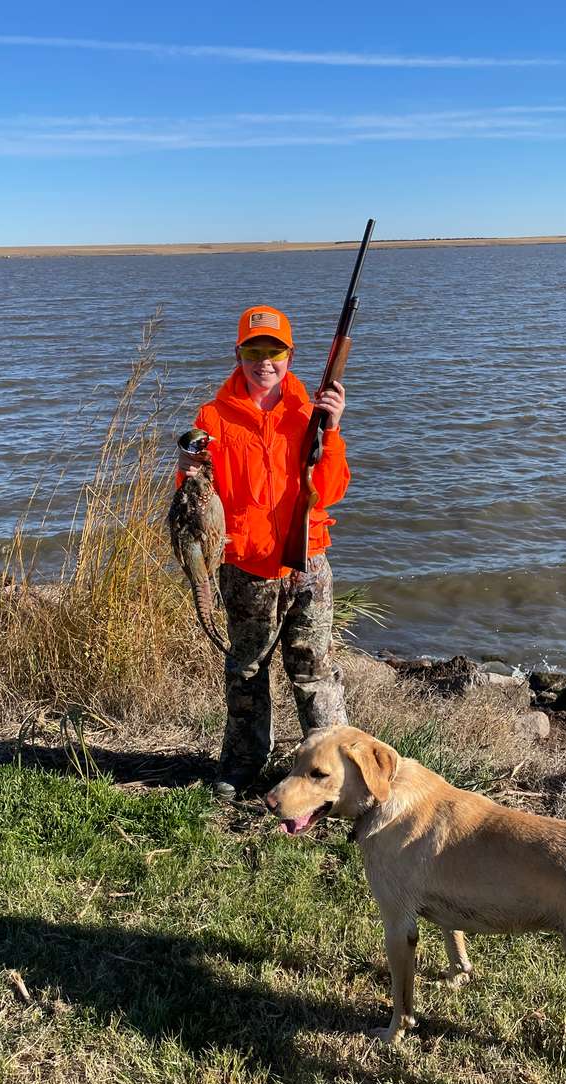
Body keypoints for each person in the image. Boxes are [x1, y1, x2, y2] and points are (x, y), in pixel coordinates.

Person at [177, 305, 351, 799]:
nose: (264, 361)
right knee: (247, 671)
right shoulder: (213, 417)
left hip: (307, 562)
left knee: (314, 672)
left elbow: (333, 489)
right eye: (254, 351)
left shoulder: (310, 413)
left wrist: (332, 430)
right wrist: (191, 463)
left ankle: (337, 775)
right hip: (246, 568)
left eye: (273, 351)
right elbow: (193, 498)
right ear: (239, 354)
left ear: (289, 355)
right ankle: (242, 762)